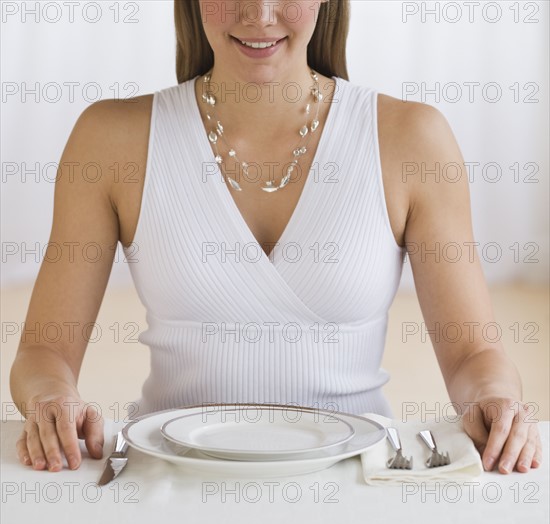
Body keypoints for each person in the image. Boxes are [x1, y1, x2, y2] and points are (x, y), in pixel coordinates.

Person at [10, 0, 541, 475]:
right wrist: (52, 397)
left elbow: (473, 353)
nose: (260, 14)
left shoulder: (413, 139)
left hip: (357, 482)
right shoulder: (109, 140)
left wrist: (494, 398)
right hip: (171, 480)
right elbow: (44, 349)